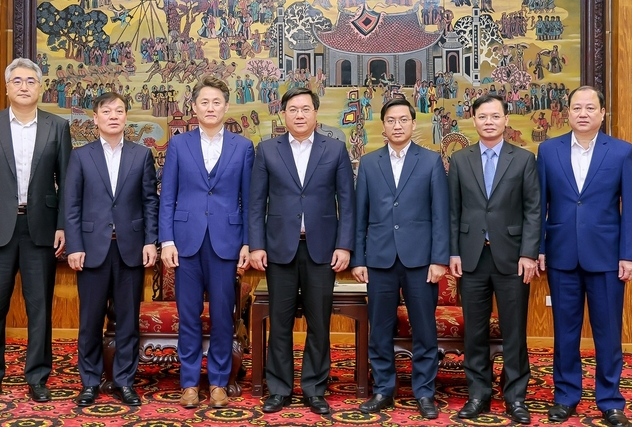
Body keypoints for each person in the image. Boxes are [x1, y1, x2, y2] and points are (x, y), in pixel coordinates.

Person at [0, 58, 71, 403]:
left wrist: (63, 227)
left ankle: (38, 377)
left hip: (40, 227)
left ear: (40, 88)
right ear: (7, 87)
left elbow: (67, 183)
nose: (24, 86)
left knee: (39, 307)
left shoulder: (57, 126)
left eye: (31, 81)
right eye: (17, 81)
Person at [537, 86, 632, 427]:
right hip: (561, 256)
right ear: (567, 113)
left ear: (601, 114)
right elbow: (538, 207)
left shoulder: (622, 152)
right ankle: (565, 396)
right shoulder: (548, 151)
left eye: (590, 108)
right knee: (564, 332)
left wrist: (630, 255)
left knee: (608, 332)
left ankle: (610, 400)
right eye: (576, 108)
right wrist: (538, 248)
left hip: (608, 258)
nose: (583, 114)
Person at [248, 87, 355, 416]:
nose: (299, 115)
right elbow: (255, 204)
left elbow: (347, 203)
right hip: (279, 248)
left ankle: (314, 388)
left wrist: (345, 245)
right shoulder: (266, 150)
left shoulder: (335, 149)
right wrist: (256, 245)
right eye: (292, 109)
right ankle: (279, 388)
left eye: (305, 109)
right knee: (279, 323)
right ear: (283, 114)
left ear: (315, 113)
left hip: (322, 248)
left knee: (319, 323)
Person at [158, 76, 254, 408]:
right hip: (185, 242)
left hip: (227, 243)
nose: (210, 107)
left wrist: (247, 242)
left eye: (217, 102)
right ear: (194, 107)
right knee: (188, 314)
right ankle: (188, 383)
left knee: (224, 317)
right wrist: (166, 240)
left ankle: (217, 383)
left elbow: (248, 200)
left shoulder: (243, 147)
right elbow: (167, 197)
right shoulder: (179, 145)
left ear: (226, 107)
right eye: (204, 102)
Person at [351, 98, 449, 419]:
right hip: (379, 259)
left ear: (412, 123)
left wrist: (439, 259)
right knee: (380, 329)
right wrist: (359, 259)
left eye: (403, 120)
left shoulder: (431, 162)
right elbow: (359, 217)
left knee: (424, 330)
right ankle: (383, 389)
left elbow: (440, 215)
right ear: (383, 126)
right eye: (391, 120)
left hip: (421, 260)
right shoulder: (368, 163)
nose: (397, 125)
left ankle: (424, 392)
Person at [448, 94, 541, 425]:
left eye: (495, 116)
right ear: (473, 120)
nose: (489, 121)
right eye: (482, 116)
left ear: (505, 120)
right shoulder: (460, 160)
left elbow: (533, 210)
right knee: (475, 331)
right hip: (471, 257)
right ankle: (478, 393)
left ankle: (515, 396)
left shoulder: (524, 159)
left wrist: (529, 253)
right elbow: (453, 210)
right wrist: (454, 252)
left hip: (512, 257)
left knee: (514, 331)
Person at [64, 92, 159, 407]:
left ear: (126, 117)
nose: (114, 116)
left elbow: (150, 202)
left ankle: (124, 381)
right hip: (91, 250)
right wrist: (74, 246)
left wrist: (150, 241)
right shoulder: (81, 156)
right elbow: (72, 205)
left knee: (128, 321)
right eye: (107, 111)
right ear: (96, 118)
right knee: (90, 321)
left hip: (131, 249)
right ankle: (90, 381)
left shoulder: (141, 154)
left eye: (119, 110)